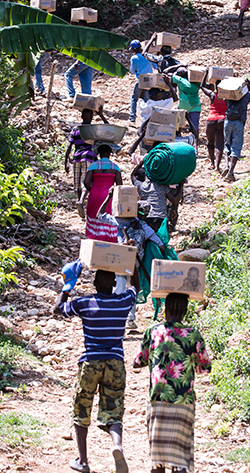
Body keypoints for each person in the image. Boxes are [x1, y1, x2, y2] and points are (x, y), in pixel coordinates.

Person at [133, 293, 211, 473]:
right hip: (184, 401)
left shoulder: (153, 331)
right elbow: (205, 367)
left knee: (156, 456)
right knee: (181, 449)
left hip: (158, 399)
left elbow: (138, 361)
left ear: (166, 309)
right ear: (185, 311)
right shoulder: (193, 333)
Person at [57, 264, 137, 473]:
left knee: (81, 406)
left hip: (90, 362)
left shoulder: (84, 303)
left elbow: (58, 309)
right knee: (114, 407)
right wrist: (131, 265)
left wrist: (68, 286)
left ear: (93, 284)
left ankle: (83, 461)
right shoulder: (122, 302)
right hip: (115, 363)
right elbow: (136, 287)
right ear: (114, 284)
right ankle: (117, 446)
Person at [97, 198, 166, 330]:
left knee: (118, 287)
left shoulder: (120, 222)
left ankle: (115, 318)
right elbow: (161, 245)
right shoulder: (145, 227)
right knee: (132, 289)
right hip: (135, 264)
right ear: (145, 214)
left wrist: (109, 196)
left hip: (119, 260)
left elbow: (99, 215)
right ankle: (129, 318)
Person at [222, 79, 250, 182]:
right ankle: (230, 172)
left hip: (227, 121)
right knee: (236, 148)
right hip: (238, 123)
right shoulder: (247, 95)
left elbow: (223, 98)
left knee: (226, 145)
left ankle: (226, 165)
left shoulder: (229, 94)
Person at [64, 108, 109, 214]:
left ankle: (80, 204)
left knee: (77, 183)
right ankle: (80, 202)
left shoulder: (75, 129)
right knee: (86, 181)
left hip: (76, 158)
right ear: (92, 118)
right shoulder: (94, 129)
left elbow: (69, 146)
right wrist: (101, 115)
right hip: (88, 157)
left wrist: (65, 161)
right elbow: (108, 128)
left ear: (81, 117)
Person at [81, 144, 122, 242]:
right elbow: (120, 185)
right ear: (110, 154)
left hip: (95, 193)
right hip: (109, 195)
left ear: (98, 153)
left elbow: (86, 182)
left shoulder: (93, 166)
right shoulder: (115, 167)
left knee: (94, 214)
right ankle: (107, 239)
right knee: (107, 216)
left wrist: (92, 189)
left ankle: (95, 239)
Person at [163, 69, 202, 152]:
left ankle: (178, 146)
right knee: (195, 128)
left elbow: (166, 72)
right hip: (195, 107)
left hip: (182, 106)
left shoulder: (181, 81)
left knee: (177, 127)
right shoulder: (196, 83)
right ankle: (196, 149)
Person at [200, 73, 227, 171]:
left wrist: (206, 73)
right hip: (222, 120)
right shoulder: (227, 97)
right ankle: (217, 166)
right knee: (220, 144)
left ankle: (212, 163)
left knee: (210, 143)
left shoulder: (212, 95)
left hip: (211, 120)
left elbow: (202, 86)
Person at [129, 39, 156, 123]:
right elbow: (155, 67)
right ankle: (147, 119)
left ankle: (132, 118)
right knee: (147, 99)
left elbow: (132, 71)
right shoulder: (149, 55)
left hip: (140, 79)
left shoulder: (134, 58)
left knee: (134, 98)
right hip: (150, 80)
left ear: (133, 49)